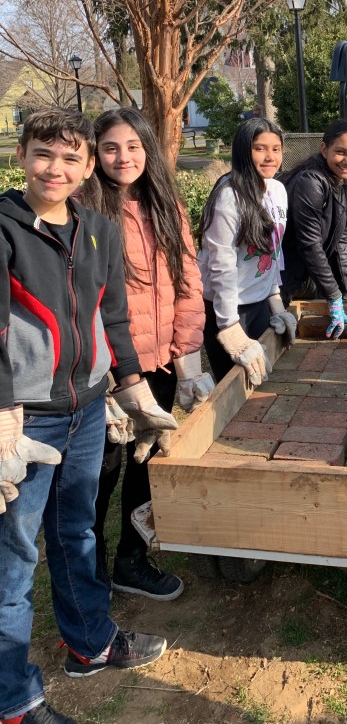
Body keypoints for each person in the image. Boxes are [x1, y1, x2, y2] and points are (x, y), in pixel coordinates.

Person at [0, 109, 170, 724]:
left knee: (77, 534)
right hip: (25, 422)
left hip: (87, 410)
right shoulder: (4, 228)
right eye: (45, 154)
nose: (57, 168)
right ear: (22, 155)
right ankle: (13, 701)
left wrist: (134, 392)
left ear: (85, 166)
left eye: (71, 158)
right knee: (15, 555)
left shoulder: (97, 229)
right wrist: (1, 421)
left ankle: (89, 644)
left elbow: (114, 320)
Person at [87, 108, 209, 601]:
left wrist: (187, 359)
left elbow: (187, 281)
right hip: (107, 377)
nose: (123, 158)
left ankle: (131, 562)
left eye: (134, 147)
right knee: (98, 478)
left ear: (148, 151)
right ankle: (89, 574)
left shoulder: (165, 204)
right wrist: (111, 377)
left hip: (155, 366)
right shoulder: (83, 209)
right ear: (95, 153)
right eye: (111, 147)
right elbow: (82, 303)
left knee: (144, 468)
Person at [198, 116, 294, 385]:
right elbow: (221, 264)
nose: (269, 157)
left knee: (262, 382)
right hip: (227, 307)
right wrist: (229, 326)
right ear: (243, 150)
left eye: (276, 149)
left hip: (260, 302)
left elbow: (274, 250)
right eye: (260, 148)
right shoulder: (229, 195)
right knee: (234, 389)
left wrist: (275, 299)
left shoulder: (278, 190)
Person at [281, 119, 347, 337]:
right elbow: (310, 244)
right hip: (282, 278)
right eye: (341, 152)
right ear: (324, 149)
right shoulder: (311, 182)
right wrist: (334, 297)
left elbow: (341, 237)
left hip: (304, 276)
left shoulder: (341, 182)